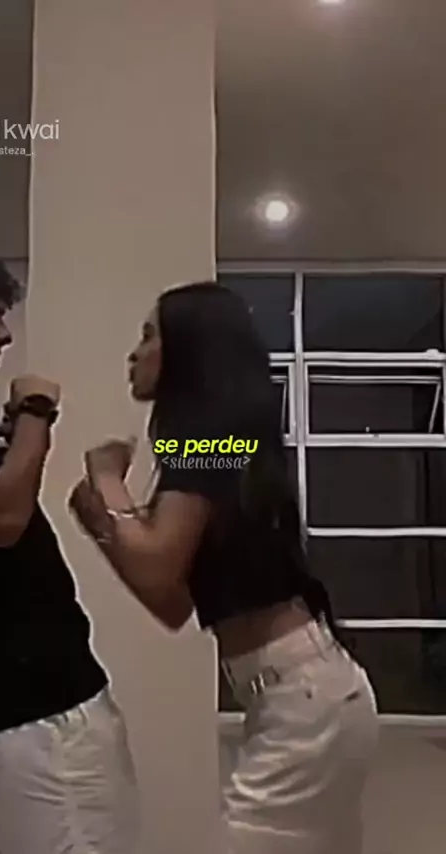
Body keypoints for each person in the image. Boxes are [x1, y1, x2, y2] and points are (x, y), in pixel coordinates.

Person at [70, 281, 379, 854]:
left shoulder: (212, 439)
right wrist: (101, 522)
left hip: (304, 701)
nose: (134, 354)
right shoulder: (213, 444)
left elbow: (156, 570)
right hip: (301, 696)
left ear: (189, 347)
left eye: (149, 335)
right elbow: (171, 603)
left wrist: (107, 480)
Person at [0, 247, 139, 854]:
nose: (3, 335)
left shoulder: (213, 438)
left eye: (149, 338)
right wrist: (38, 413)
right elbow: (3, 517)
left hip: (14, 714)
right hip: (37, 718)